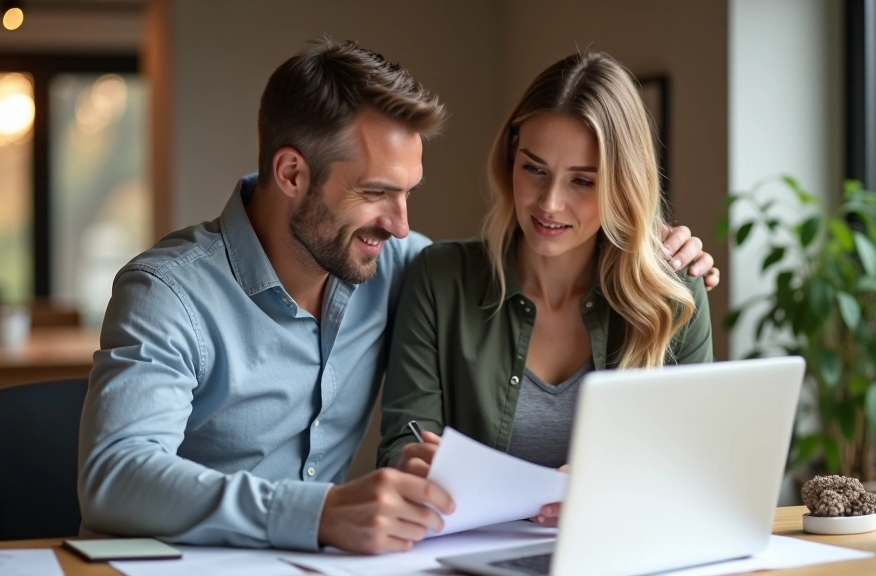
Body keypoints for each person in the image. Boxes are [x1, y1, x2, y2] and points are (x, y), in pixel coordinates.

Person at [78, 39, 717, 554]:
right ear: (292, 173)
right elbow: (115, 476)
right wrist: (320, 511)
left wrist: (651, 242)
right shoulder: (169, 291)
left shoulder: (400, 264)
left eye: (408, 192)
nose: (401, 222)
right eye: (378, 192)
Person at [378, 51, 714, 528]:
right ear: (510, 154)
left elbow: (696, 471)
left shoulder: (673, 296)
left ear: (622, 185)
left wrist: (615, 484)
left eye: (582, 181)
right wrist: (413, 466)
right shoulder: (438, 279)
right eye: (534, 169)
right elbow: (400, 447)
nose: (549, 203)